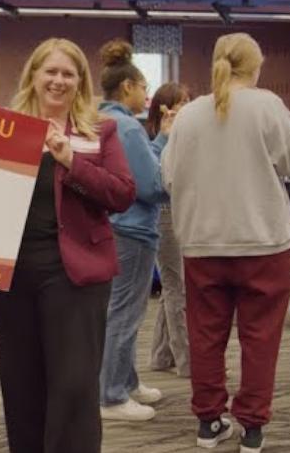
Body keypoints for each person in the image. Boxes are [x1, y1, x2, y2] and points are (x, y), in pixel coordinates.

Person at [162, 33, 290, 453]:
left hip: (202, 244)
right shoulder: (267, 105)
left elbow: (167, 176)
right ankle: (251, 430)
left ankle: (209, 424)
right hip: (262, 241)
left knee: (205, 337)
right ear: (256, 66)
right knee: (260, 339)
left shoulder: (189, 115)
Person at [0, 37, 135, 453]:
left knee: (73, 385)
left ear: (80, 81)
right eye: (49, 71)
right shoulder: (3, 127)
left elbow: (122, 193)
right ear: (33, 76)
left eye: (67, 73)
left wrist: (71, 159)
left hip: (76, 274)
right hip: (11, 273)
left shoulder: (100, 130)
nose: (58, 80)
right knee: (20, 383)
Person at [96, 39, 169, 422]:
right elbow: (152, 187)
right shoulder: (128, 127)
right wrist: (166, 145)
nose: (147, 95)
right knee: (125, 314)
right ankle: (111, 395)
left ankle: (126, 381)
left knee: (118, 311)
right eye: (144, 87)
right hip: (134, 230)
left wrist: (159, 139)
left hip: (111, 228)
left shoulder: (100, 120)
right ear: (128, 87)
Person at [145, 83, 192, 379]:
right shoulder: (156, 140)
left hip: (178, 214)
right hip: (165, 215)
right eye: (182, 101)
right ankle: (188, 361)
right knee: (178, 289)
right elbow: (156, 177)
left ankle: (162, 356)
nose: (189, 106)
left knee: (173, 286)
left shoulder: (180, 138)